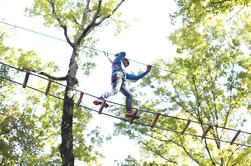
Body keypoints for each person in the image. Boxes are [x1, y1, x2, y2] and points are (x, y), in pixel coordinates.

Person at [94, 51, 152, 118]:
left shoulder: (125, 73)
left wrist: (147, 71)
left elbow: (136, 77)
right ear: (123, 59)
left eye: (127, 64)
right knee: (115, 90)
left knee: (129, 95)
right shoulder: (117, 61)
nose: (126, 64)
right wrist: (119, 55)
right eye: (126, 62)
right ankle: (100, 98)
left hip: (122, 82)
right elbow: (123, 53)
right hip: (117, 76)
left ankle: (129, 111)